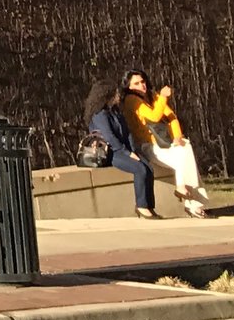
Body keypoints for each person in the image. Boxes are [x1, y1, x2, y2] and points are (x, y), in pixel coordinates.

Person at [125, 71, 210, 218]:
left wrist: (177, 136)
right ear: (129, 86)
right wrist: (163, 97)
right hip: (147, 146)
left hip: (164, 144)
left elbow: (172, 118)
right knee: (184, 158)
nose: (142, 85)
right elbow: (154, 116)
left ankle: (183, 189)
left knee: (185, 147)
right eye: (136, 83)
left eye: (143, 81)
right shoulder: (131, 100)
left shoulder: (153, 96)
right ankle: (193, 204)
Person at [83, 77, 158, 218]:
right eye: (115, 94)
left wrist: (132, 150)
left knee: (148, 167)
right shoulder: (99, 114)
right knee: (140, 169)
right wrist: (126, 153)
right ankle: (141, 206)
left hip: (125, 149)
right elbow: (109, 137)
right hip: (110, 152)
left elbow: (127, 132)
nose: (118, 96)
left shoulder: (115, 111)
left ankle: (149, 205)